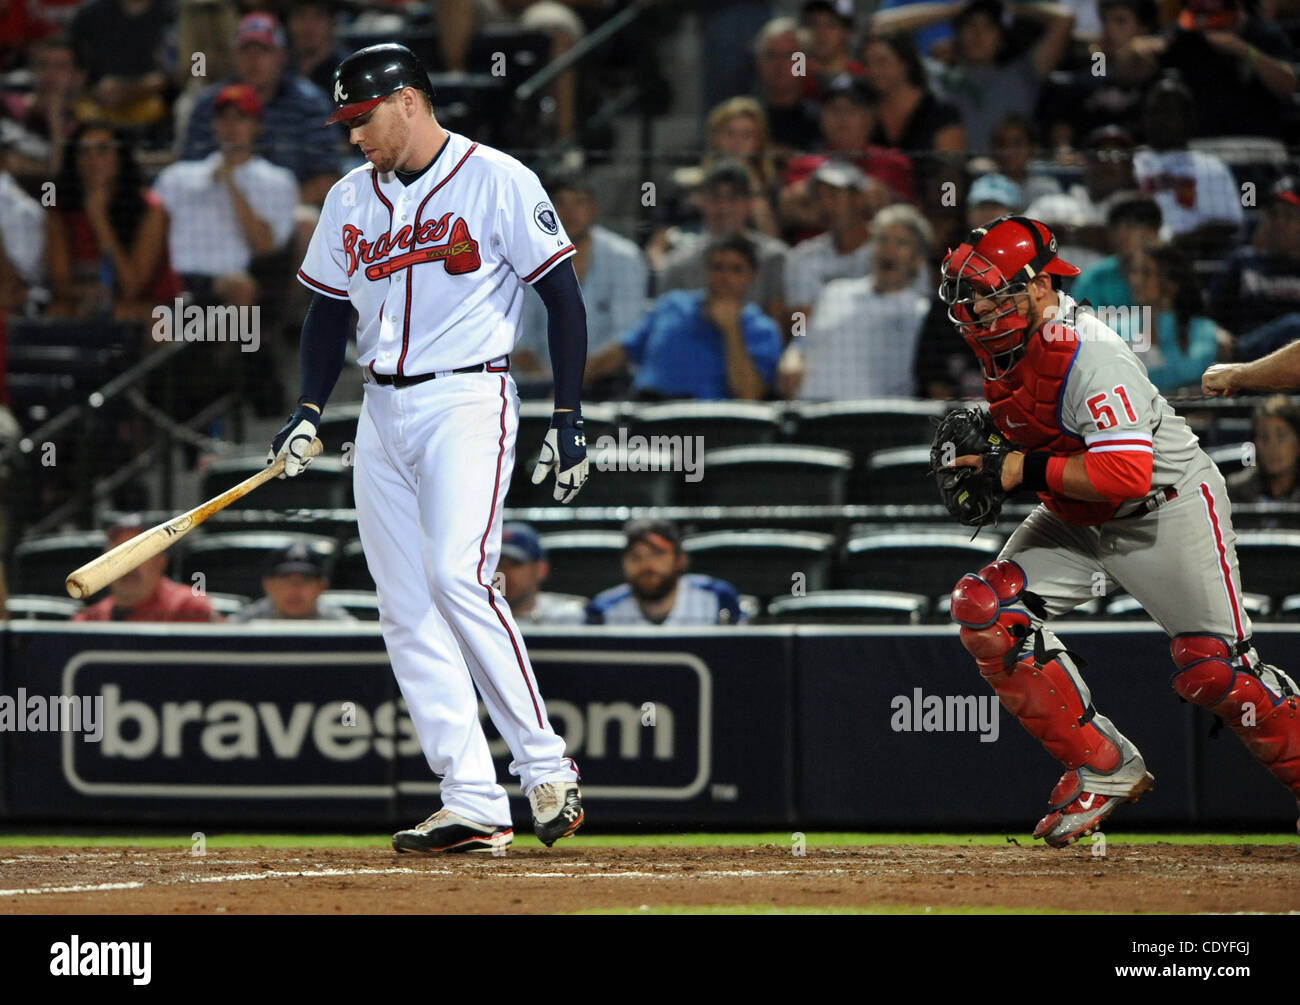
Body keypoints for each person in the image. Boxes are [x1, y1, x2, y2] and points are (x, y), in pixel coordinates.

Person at [272, 43, 586, 856]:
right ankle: (472, 799)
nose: (352, 136)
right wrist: (309, 407)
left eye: (361, 117)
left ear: (408, 100)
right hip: (380, 409)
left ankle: (546, 767)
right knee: (405, 607)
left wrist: (570, 414)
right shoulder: (349, 197)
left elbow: (561, 296)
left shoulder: (499, 178)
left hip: (467, 396)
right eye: (343, 122)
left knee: (457, 574)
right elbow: (328, 313)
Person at [937, 214, 1300, 845]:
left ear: (1039, 286)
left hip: (1165, 507)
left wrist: (1017, 467)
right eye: (970, 294)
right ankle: (1101, 767)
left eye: (991, 291)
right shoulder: (1005, 354)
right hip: (1078, 516)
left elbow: (1126, 472)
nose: (977, 307)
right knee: (984, 608)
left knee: (1215, 671)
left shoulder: (1087, 350)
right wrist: (993, 459)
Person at [586, 234, 784, 401]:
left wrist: (732, 330)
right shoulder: (672, 305)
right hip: (646, 411)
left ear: (751, 276)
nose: (725, 276)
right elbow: (618, 353)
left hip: (709, 424)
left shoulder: (763, 330)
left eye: (736, 270)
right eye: (718, 267)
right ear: (707, 271)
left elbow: (749, 396)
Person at [153, 83, 298, 308]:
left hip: (228, 281)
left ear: (257, 125)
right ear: (214, 125)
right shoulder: (177, 176)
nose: (231, 126)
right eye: (223, 118)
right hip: (174, 277)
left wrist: (230, 182)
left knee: (239, 287)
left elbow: (266, 246)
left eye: (240, 117)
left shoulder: (278, 180)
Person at [872, 0, 1076, 154]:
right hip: (952, 181)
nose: (978, 34)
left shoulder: (1023, 74)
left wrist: (1008, 4)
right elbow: (880, 26)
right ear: (957, 34)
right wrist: (955, 8)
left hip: (1011, 178)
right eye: (969, 25)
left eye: (988, 27)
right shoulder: (937, 76)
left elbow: (1064, 19)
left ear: (1001, 38)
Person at [181, 12, 340, 206]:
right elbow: (188, 169)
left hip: (292, 207)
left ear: (281, 56)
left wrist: (275, 210)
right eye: (246, 51)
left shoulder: (309, 102)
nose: (254, 60)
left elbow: (328, 178)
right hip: (217, 205)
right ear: (233, 57)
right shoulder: (209, 102)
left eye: (264, 51)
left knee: (304, 222)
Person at [779, 203, 932, 399]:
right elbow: (802, 341)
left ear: (917, 259)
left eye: (901, 243)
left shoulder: (923, 312)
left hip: (875, 419)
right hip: (812, 414)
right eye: (882, 239)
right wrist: (792, 356)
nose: (889, 249)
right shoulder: (835, 291)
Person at [514, 169, 648, 382]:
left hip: (607, 384)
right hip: (539, 386)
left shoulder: (624, 258)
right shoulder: (526, 258)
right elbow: (520, 339)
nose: (570, 213)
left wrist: (572, 386)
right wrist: (549, 386)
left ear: (593, 208)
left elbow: (626, 340)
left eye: (579, 203)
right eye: (561, 203)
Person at [44, 120, 179, 320]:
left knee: (123, 314)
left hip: (149, 306)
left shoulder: (151, 210)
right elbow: (60, 282)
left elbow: (132, 288)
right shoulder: (59, 210)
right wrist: (87, 296)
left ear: (120, 158)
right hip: (84, 301)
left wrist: (99, 218)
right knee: (57, 313)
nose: (93, 161)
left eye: (103, 151)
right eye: (84, 153)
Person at [1116, 0, 1297, 141]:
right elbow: (1123, 75)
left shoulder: (1262, 33)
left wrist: (1242, 49)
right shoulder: (1181, 36)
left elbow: (1288, 86)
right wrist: (1135, 49)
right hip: (1197, 149)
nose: (1201, 3)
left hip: (1255, 148)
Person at [657, 159, 789, 328]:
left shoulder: (774, 257)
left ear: (749, 203)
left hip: (755, 350)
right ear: (701, 201)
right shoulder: (677, 263)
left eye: (733, 198)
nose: (724, 207)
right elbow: (665, 327)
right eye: (715, 197)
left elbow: (780, 328)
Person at [1131, 77, 1243, 252]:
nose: (1160, 119)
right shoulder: (1129, 164)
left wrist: (1173, 244)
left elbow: (1229, 224)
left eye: (1168, 112)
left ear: (1188, 118)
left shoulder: (1212, 166)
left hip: (1192, 260)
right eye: (1154, 112)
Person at [783, 159, 891, 323]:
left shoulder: (891, 252)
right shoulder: (802, 257)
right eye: (819, 197)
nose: (826, 204)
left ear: (859, 199)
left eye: (834, 195)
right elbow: (799, 325)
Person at [1207, 176, 1300, 361]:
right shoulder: (1244, 262)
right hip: (1249, 355)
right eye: (1274, 215)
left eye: (1289, 216)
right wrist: (1216, 333)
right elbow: (1209, 315)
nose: (1279, 223)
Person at [587, 519, 745, 627]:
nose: (646, 565)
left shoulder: (718, 597)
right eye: (635, 557)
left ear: (680, 560)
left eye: (657, 554)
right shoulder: (603, 610)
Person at [1120, 242, 1226, 393]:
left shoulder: (1204, 330)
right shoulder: (1118, 327)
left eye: (1146, 273)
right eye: (1133, 273)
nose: (1135, 281)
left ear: (1172, 284)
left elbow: (1193, 372)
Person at [73, 517, 218, 622]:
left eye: (139, 554)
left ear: (161, 561)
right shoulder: (90, 620)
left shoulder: (190, 609)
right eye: (117, 555)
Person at [68, 0, 169, 131]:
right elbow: (67, 65)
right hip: (93, 107)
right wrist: (93, 91)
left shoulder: (172, 13)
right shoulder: (87, 15)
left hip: (159, 110)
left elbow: (184, 72)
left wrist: (137, 88)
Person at [1070, 194, 1162, 314]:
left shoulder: (1171, 274)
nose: (1121, 234)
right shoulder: (1094, 277)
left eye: (1132, 226)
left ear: (1153, 231)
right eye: (1115, 227)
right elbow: (1076, 322)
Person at [229, 542, 356, 622]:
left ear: (321, 586)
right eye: (286, 580)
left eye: (305, 581)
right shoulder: (244, 625)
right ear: (268, 585)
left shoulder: (341, 626)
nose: (295, 590)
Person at [751, 17, 821, 152]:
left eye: (790, 56)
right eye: (771, 55)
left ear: (804, 64)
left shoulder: (823, 120)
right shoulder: (745, 121)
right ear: (758, 63)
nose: (780, 64)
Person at [496, 522, 586, 626]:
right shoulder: (477, 616)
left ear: (540, 569)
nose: (503, 572)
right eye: (497, 564)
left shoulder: (565, 615)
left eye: (515, 564)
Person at [1225, 395, 1300, 504]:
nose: (1272, 448)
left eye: (1281, 437)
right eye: (1264, 437)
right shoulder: (1236, 491)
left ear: (1297, 442)